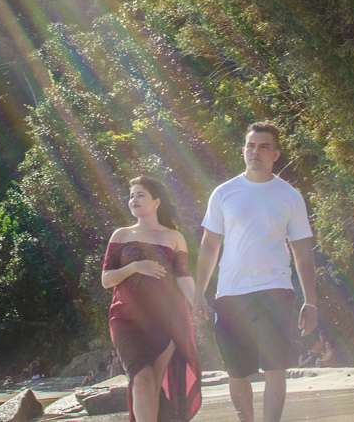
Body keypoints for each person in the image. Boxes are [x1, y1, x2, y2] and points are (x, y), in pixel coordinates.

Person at [192, 121, 317, 422]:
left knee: (276, 367)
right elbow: (209, 246)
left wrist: (311, 302)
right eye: (250, 146)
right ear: (243, 150)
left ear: (275, 154)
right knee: (237, 372)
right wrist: (198, 294)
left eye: (263, 147)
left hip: (275, 290)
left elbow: (302, 251)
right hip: (232, 292)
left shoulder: (290, 196)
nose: (255, 152)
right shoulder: (224, 193)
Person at [102, 176, 202, 422]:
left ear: (156, 202)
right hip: (126, 319)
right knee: (142, 381)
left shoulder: (174, 237)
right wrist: (136, 266)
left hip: (165, 320)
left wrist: (200, 304)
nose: (133, 200)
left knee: (154, 386)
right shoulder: (121, 235)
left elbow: (183, 277)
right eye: (131, 196)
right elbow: (107, 279)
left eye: (140, 195)